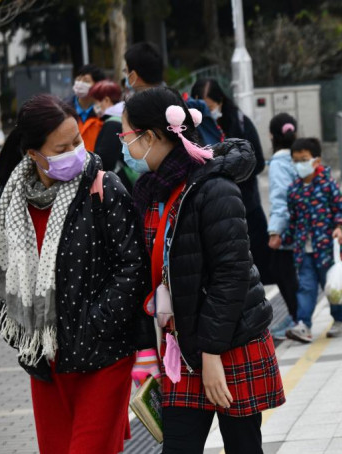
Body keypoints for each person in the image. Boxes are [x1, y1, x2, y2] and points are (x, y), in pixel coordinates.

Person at [0, 94, 157, 454]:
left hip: (102, 356)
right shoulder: (11, 203)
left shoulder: (102, 187)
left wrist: (96, 323)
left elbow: (133, 266)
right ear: (33, 154)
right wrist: (25, 337)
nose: (75, 152)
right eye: (62, 147)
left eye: (77, 141)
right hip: (45, 360)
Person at [122, 87, 285, 453]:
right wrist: (148, 349)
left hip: (231, 341)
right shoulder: (150, 191)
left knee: (243, 446)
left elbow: (232, 275)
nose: (125, 148)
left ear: (150, 137)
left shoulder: (214, 188)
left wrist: (211, 355)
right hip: (181, 348)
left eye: (126, 137)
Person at [189, 79, 272, 319]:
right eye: (201, 106)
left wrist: (232, 172)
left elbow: (258, 161)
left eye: (211, 104)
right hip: (216, 210)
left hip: (247, 204)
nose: (207, 110)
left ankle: (261, 313)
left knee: (257, 263)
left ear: (221, 101)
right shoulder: (194, 128)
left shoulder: (239, 121)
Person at [282, 138, 342, 343]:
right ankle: (303, 325)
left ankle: (340, 320)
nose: (299, 164)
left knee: (332, 286)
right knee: (306, 286)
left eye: (303, 159)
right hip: (304, 250)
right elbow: (293, 220)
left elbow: (341, 209)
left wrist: (339, 228)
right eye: (295, 160)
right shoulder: (294, 190)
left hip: (328, 248)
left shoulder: (327, 184)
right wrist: (283, 239)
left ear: (316, 160)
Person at [267, 113, 303, 339]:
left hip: (288, 229)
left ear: (272, 136)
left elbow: (280, 199)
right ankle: (301, 317)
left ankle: (296, 318)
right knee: (304, 273)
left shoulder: (278, 165)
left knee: (284, 273)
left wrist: (275, 231)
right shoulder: (300, 158)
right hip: (306, 225)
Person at [90, 79, 135, 192]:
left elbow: (104, 160)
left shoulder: (112, 124)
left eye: (96, 102)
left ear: (106, 100)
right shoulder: (126, 117)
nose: (95, 106)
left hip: (121, 182)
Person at [70, 64, 106, 152]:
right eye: (78, 79)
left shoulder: (104, 112)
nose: (80, 83)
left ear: (98, 85)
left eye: (86, 81)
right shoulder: (64, 110)